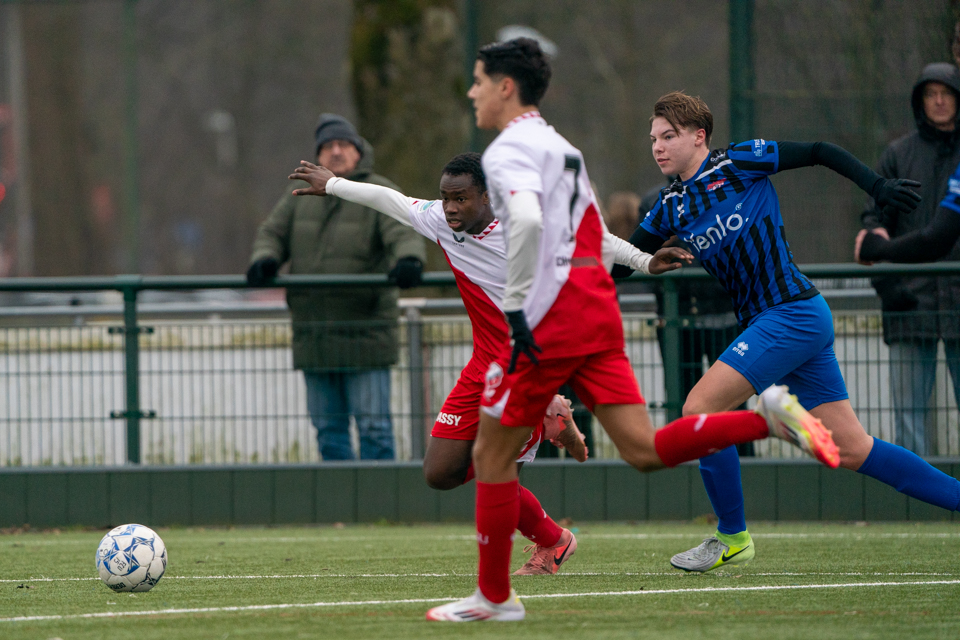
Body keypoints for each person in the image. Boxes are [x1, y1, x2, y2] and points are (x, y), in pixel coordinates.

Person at [425, 39, 840, 623]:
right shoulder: (559, 145)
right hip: (596, 311)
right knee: (642, 450)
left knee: (489, 454)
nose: (471, 91)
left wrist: (518, 312)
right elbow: (590, 231)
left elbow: (522, 222)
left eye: (477, 80)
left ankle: (495, 598)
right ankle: (766, 420)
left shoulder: (507, 153)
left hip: (557, 318)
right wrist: (644, 263)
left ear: (505, 87)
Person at [621, 90, 960, 575]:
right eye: (653, 138)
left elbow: (820, 150)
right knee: (852, 448)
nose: (657, 146)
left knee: (700, 407)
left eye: (668, 136)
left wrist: (877, 187)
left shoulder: (738, 162)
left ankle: (732, 537)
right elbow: (620, 265)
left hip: (791, 313)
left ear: (699, 136)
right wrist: (594, 260)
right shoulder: (668, 207)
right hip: (786, 321)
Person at [246, 114, 427, 461]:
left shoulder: (375, 189)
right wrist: (264, 259)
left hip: (366, 333)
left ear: (359, 152)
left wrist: (409, 260)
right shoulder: (298, 195)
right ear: (318, 155)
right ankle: (339, 512)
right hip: (315, 334)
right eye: (328, 146)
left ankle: (380, 506)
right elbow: (272, 233)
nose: (336, 151)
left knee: (375, 428)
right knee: (329, 433)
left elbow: (402, 229)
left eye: (343, 144)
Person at [852, 63, 960, 456]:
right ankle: (916, 502)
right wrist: (889, 287)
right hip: (909, 304)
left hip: (958, 300)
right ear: (919, 101)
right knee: (907, 413)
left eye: (947, 92)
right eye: (930, 93)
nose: (939, 101)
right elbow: (873, 226)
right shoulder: (898, 154)